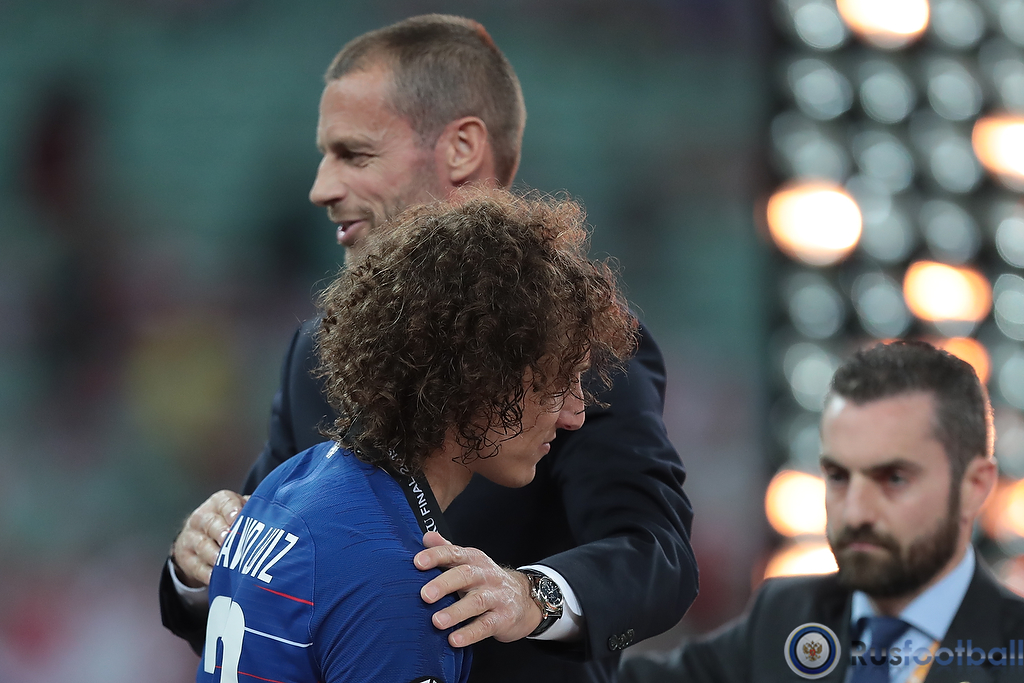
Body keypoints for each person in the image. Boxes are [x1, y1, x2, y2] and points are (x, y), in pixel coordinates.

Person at [159, 13, 699, 683]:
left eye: (355, 154)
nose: (321, 188)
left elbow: (657, 553)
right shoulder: (314, 352)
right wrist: (195, 567)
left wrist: (530, 594)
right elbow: (267, 595)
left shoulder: (580, 346)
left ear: (461, 149)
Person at [195, 190, 637, 683]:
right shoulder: (407, 584)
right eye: (555, 384)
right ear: (480, 379)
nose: (575, 415)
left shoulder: (287, 483)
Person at [621, 339, 1024, 683]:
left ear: (975, 486)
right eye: (838, 476)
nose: (856, 512)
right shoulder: (785, 616)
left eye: (894, 479)